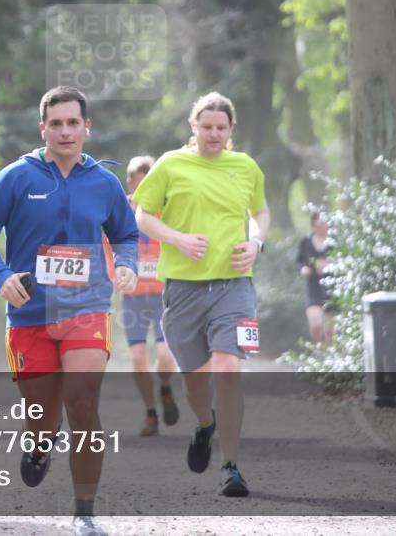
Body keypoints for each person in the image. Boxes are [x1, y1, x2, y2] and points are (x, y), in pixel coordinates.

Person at [0, 86, 138, 536]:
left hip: (87, 308)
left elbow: (126, 234)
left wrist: (126, 265)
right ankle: (40, 443)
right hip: (30, 315)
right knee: (41, 416)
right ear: (43, 128)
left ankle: (84, 513)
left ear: (86, 127)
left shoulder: (104, 181)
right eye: (56, 124)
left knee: (83, 402)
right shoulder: (16, 178)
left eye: (73, 123)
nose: (65, 131)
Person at [132, 91, 270, 498]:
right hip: (183, 291)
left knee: (227, 369)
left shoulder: (245, 166)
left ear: (231, 130)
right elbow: (142, 214)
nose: (214, 134)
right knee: (195, 382)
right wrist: (177, 239)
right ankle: (205, 424)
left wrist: (257, 242)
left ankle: (231, 466)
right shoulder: (171, 165)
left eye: (221, 128)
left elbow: (260, 212)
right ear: (194, 126)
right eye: (206, 126)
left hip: (234, 287)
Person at [118, 156, 179, 436]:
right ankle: (150, 412)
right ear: (131, 182)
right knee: (138, 356)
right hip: (132, 296)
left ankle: (165, 388)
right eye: (142, 181)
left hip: (163, 295)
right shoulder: (119, 210)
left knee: (166, 354)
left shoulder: (167, 209)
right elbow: (108, 245)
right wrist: (114, 274)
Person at [296, 210, 336, 345]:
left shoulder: (335, 242)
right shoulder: (306, 242)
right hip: (313, 288)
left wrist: (330, 265)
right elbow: (299, 261)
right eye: (319, 225)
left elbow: (344, 261)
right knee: (316, 324)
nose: (322, 227)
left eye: (324, 224)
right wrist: (303, 269)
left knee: (330, 331)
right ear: (313, 226)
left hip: (332, 289)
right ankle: (318, 348)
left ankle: (328, 355)